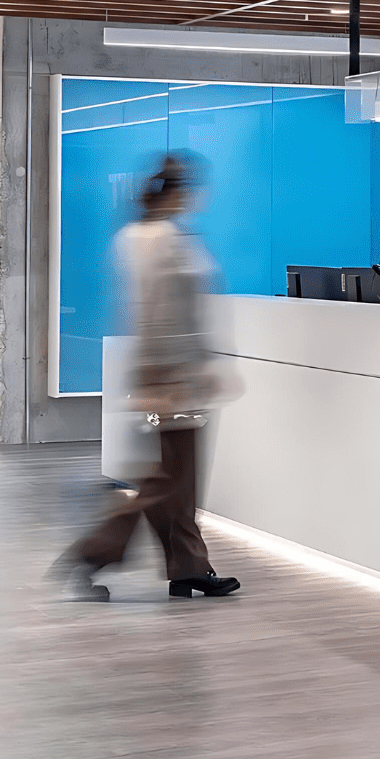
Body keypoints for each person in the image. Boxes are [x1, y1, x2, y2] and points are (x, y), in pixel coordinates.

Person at [54, 153, 242, 602]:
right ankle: (92, 553)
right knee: (169, 480)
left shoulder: (137, 237)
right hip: (174, 383)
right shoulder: (165, 241)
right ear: (177, 192)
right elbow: (163, 313)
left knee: (178, 477)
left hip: (164, 379)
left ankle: (189, 568)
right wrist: (183, 372)